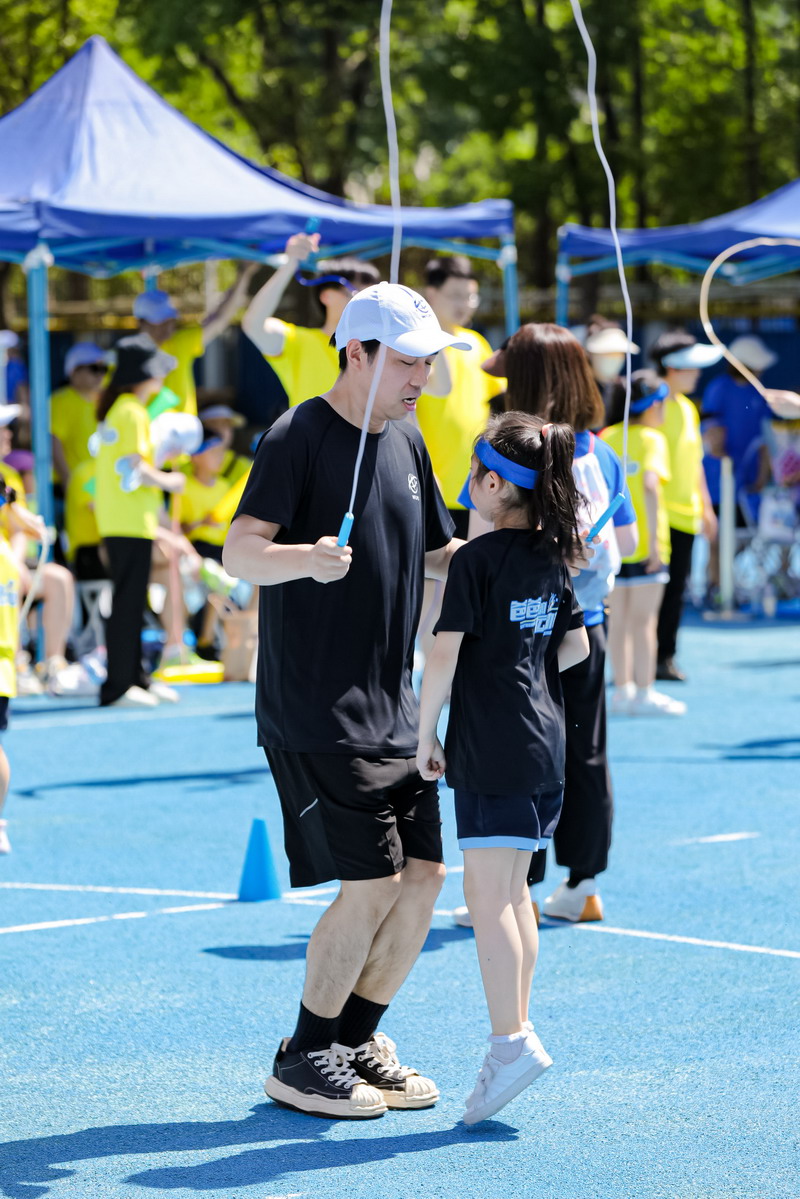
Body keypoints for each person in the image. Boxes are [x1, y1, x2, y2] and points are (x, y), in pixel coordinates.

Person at [224, 282, 469, 1120]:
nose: (422, 377)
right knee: (372, 881)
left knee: (425, 877)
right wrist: (306, 557)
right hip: (316, 708)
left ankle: (354, 1041)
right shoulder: (296, 434)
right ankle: (304, 1055)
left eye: (427, 361)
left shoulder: (408, 437)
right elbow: (239, 552)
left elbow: (439, 555)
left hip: (396, 706)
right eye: (406, 361)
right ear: (355, 353)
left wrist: (524, 551)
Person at [416, 412, 589, 1126]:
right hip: (544, 744)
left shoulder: (476, 560)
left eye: (472, 472)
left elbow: (444, 653)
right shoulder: (552, 558)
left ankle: (510, 1042)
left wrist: (423, 733)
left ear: (493, 484)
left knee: (489, 899)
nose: (466, 484)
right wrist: (526, 671)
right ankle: (515, 1034)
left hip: (493, 747)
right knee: (513, 895)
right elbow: (576, 648)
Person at [495, 323, 638, 924]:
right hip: (589, 624)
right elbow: (629, 543)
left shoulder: (510, 451)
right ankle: (583, 883)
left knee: (516, 755)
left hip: (522, 633)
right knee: (585, 750)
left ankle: (515, 889)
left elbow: (479, 542)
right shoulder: (600, 452)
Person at [94, 335, 185, 708]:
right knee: (128, 603)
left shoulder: (123, 409)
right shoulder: (132, 411)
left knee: (132, 601)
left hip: (125, 520)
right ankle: (118, 685)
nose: (162, 376)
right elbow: (137, 469)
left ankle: (135, 678)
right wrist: (171, 481)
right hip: (128, 521)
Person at [601, 372, 685, 717]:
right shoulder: (653, 439)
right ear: (651, 406)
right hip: (646, 545)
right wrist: (653, 546)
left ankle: (622, 691)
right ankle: (645, 692)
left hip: (613, 545)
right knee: (644, 622)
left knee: (618, 622)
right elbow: (650, 485)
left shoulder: (607, 436)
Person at [415, 256, 505, 539]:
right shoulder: (415, 347)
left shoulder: (476, 342)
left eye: (471, 297)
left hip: (476, 491)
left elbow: (496, 408)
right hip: (430, 487)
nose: (464, 304)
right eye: (455, 295)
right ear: (430, 294)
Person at [649, 330, 722, 681]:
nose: (697, 374)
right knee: (650, 595)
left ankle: (664, 657)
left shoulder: (688, 408)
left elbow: (694, 464)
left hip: (685, 516)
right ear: (672, 367)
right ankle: (644, 661)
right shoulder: (654, 405)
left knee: (676, 592)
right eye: (691, 367)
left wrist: (706, 508)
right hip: (658, 517)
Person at [241, 233, 381, 408]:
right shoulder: (301, 342)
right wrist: (291, 263)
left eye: (372, 295)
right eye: (354, 291)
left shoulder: (382, 350)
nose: (363, 301)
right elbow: (253, 324)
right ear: (326, 296)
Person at [133, 264, 256, 416]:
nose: (167, 326)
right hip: (147, 429)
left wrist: (244, 275)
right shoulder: (127, 354)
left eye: (170, 320)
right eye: (159, 321)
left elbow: (220, 319)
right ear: (141, 322)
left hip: (186, 428)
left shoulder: (179, 342)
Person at [50, 344, 109, 488]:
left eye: (104, 369)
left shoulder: (107, 400)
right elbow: (53, 444)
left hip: (103, 485)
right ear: (74, 371)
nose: (100, 374)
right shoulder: (60, 401)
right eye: (94, 368)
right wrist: (69, 484)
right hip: (74, 487)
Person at [583, 316, 639, 422]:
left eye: (619, 354)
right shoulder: (579, 390)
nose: (614, 358)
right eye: (608, 353)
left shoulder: (622, 390)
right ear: (590, 354)